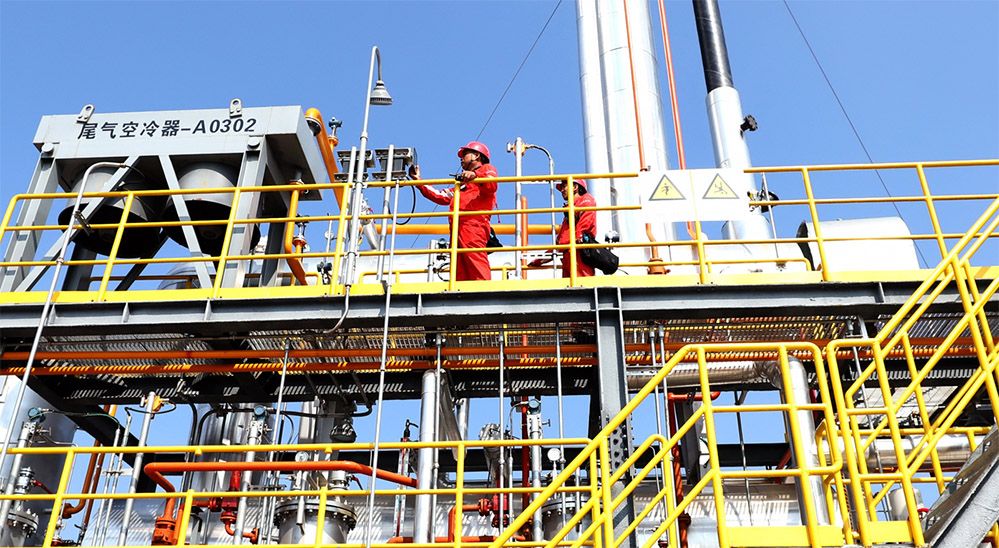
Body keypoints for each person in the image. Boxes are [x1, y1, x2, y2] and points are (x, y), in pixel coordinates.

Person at [409, 141, 498, 281]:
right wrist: (418, 181)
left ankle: (484, 290)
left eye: (465, 154)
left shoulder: (487, 169)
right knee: (459, 268)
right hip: (457, 228)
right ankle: (461, 291)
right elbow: (440, 196)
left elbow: (491, 184)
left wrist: (475, 176)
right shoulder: (460, 186)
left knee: (476, 261)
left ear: (476, 155)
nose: (461, 158)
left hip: (474, 226)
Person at [529, 179, 597, 277]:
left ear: (575, 187)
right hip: (568, 256)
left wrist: (577, 239)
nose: (562, 190)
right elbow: (560, 243)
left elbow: (583, 228)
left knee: (582, 284)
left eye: (564, 186)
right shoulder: (569, 212)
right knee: (570, 285)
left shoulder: (586, 200)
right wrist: (539, 260)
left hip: (579, 254)